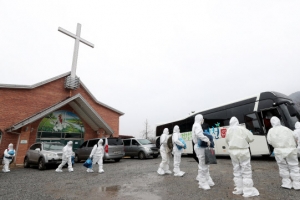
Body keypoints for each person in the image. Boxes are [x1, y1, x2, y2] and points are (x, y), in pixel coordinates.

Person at [225, 116, 259, 197]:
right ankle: (248, 191)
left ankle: (239, 189)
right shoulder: (242, 129)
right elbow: (251, 138)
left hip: (233, 151)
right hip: (243, 150)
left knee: (236, 169)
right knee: (246, 169)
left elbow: (227, 141)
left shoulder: (228, 130)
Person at [267, 116, 300, 190]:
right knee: (294, 167)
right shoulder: (286, 129)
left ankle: (286, 184)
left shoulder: (271, 131)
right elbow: (295, 136)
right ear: (279, 121)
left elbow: (269, 141)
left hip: (279, 151)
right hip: (290, 150)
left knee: (282, 167)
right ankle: (297, 184)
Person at [192, 114, 214, 190]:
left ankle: (207, 179)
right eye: (202, 119)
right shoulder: (197, 125)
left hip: (200, 146)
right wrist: (207, 139)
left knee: (205, 164)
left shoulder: (196, 125)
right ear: (200, 119)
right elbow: (199, 134)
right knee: (203, 165)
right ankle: (202, 182)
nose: (203, 120)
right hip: (199, 147)